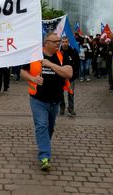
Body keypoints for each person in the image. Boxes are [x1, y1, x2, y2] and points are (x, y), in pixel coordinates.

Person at [20, 32, 73, 171]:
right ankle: (44, 157)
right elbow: (22, 72)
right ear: (46, 43)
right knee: (42, 126)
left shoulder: (62, 56)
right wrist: (32, 79)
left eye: (59, 41)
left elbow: (69, 73)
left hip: (55, 100)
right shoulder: (34, 56)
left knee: (49, 128)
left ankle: (44, 144)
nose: (58, 43)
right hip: (38, 99)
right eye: (55, 41)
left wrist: (50, 65)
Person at [59, 36, 79, 117]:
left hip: (71, 77)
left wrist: (76, 73)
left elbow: (77, 63)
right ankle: (62, 107)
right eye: (63, 42)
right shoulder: (58, 51)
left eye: (66, 42)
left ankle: (71, 109)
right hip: (60, 76)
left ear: (68, 42)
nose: (64, 43)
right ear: (61, 42)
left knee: (71, 93)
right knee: (60, 93)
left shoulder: (73, 51)